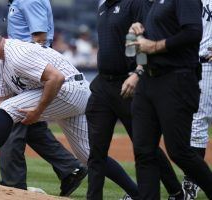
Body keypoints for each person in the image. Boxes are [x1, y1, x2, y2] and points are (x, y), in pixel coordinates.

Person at [0, 22, 91, 191]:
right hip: (70, 91)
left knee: (11, 108)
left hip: (70, 89)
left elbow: (56, 78)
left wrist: (38, 111)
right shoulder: (1, 62)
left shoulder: (16, 54)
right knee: (90, 156)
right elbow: (0, 99)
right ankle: (128, 190)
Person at [86, 0, 183, 199]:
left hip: (129, 84)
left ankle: (175, 190)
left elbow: (148, 37)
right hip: (102, 85)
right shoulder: (103, 7)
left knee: (145, 147)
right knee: (96, 151)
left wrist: (139, 72)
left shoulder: (135, 3)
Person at [0, 0, 87, 196]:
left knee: (13, 117)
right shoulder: (17, 2)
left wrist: (27, 70)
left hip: (29, 67)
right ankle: (69, 168)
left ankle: (12, 184)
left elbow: (40, 38)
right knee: (32, 125)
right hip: (23, 66)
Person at [129, 0, 212, 199]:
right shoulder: (153, 3)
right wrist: (136, 32)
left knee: (179, 151)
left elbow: (193, 33)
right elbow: (141, 45)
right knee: (143, 150)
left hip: (176, 78)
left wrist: (155, 45)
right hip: (149, 78)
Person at [182, 0, 212, 199]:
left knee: (197, 123)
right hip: (193, 65)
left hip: (206, 63)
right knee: (196, 123)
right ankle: (192, 181)